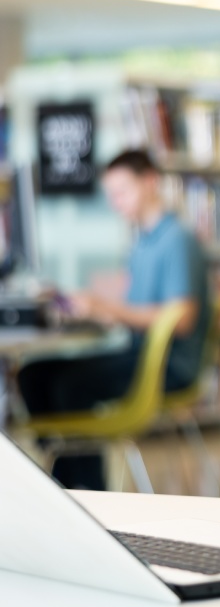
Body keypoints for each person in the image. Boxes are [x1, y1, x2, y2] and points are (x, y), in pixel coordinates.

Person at [19, 149, 210, 490]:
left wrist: (107, 308)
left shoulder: (177, 239)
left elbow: (180, 320)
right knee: (33, 374)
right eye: (111, 195)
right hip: (136, 352)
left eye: (122, 192)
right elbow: (136, 305)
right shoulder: (141, 242)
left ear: (150, 182)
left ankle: (88, 491)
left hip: (166, 365)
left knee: (70, 385)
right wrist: (93, 307)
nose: (115, 202)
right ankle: (65, 480)